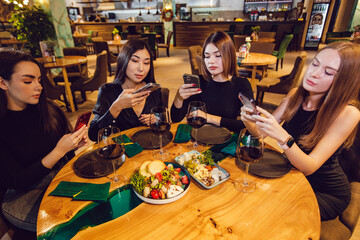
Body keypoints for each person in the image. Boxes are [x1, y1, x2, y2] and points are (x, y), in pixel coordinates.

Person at [240, 41, 360, 221]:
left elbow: (309, 167)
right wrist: (249, 120)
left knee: (267, 214)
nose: (314, 73)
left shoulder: (348, 113)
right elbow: (260, 135)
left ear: (345, 81)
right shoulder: (295, 95)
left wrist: (283, 138)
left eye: (328, 72)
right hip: (292, 176)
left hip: (324, 190)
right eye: (315, 63)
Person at [0, 49, 88, 232]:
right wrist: (58, 152)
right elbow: (16, 181)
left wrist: (73, 145)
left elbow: (66, 158)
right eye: (28, 81)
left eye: (39, 80)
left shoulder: (48, 109)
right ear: (3, 82)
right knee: (75, 225)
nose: (38, 86)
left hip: (57, 180)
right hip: (20, 195)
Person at [171, 31, 253, 132]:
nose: (211, 61)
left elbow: (248, 126)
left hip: (227, 140)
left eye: (217, 55)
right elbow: (175, 118)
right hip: (200, 137)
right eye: (207, 56)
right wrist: (179, 98)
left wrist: (208, 117)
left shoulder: (241, 84)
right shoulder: (199, 82)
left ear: (229, 55)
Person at [88, 39, 164, 141]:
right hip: (123, 152)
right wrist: (117, 107)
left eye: (146, 63)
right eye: (135, 61)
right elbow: (93, 135)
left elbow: (164, 122)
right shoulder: (107, 91)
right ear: (123, 60)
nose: (141, 68)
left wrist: (157, 119)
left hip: (150, 149)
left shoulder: (153, 90)